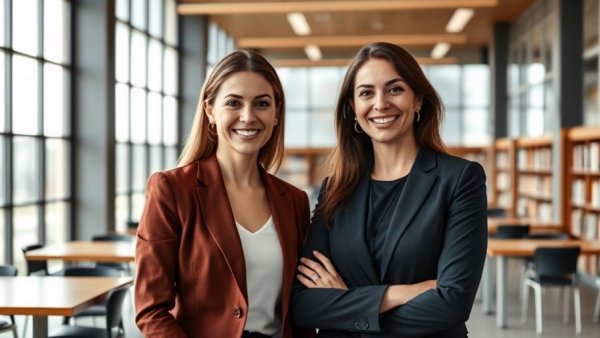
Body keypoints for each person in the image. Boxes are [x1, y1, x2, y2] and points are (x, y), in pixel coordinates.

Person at [291, 42, 487, 337]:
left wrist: (350, 307)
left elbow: (453, 302)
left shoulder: (459, 179)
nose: (380, 103)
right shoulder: (335, 189)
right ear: (353, 108)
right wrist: (398, 294)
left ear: (418, 99)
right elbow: (304, 304)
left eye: (395, 89)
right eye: (366, 92)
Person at [135, 49, 314, 338]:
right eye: (233, 103)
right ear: (210, 111)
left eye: (262, 104)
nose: (248, 116)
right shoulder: (171, 190)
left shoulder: (294, 201)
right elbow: (151, 310)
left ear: (276, 113)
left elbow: (298, 307)